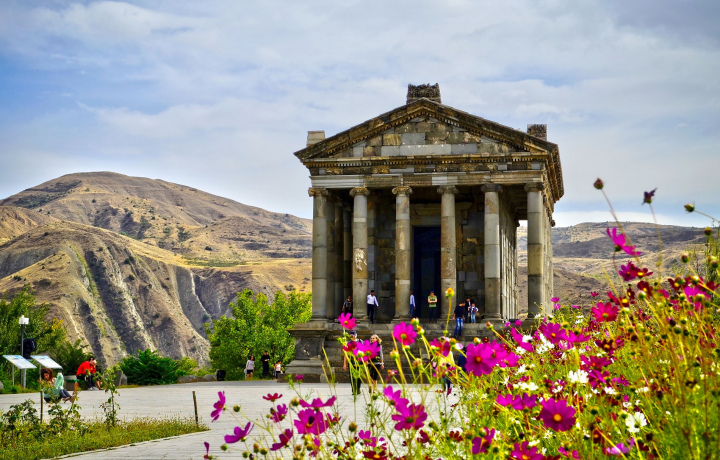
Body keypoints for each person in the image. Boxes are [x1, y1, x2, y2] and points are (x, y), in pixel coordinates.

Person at [343, 330, 362, 396]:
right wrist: (345, 364)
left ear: (356, 335)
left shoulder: (360, 342)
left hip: (359, 361)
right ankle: (353, 389)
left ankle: (358, 388)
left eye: (353, 335)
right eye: (351, 335)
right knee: (352, 376)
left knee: (359, 376)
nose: (352, 336)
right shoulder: (349, 343)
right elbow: (345, 354)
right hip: (351, 361)